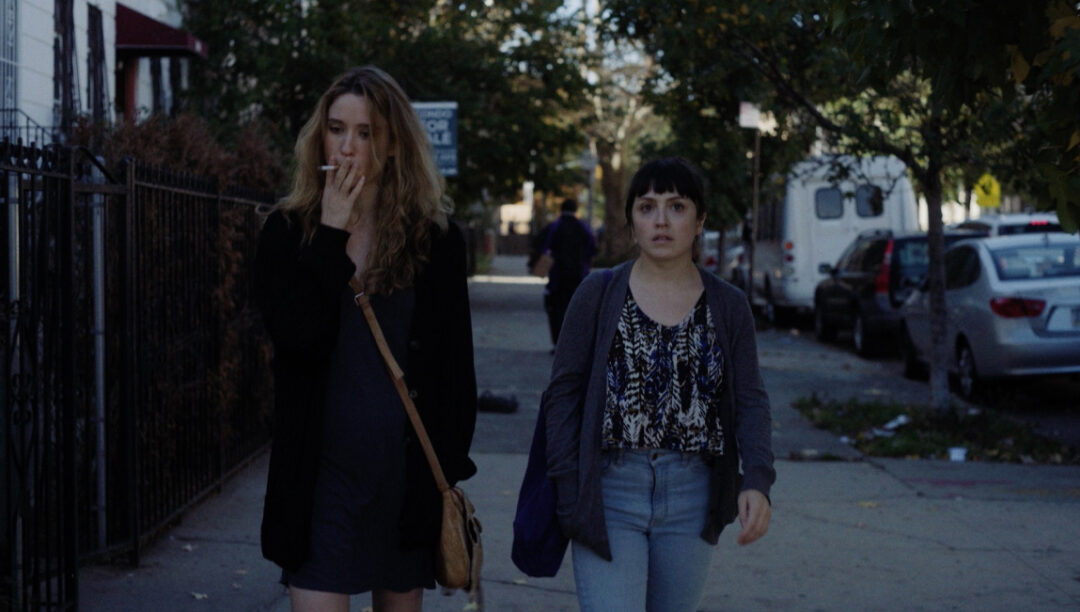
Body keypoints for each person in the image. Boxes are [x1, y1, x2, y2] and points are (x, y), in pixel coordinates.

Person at [253, 65, 478, 612]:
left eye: (366, 132)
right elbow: (297, 339)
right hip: (319, 479)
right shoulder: (287, 232)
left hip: (404, 483)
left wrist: (444, 478)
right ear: (320, 137)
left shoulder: (435, 241)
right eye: (336, 129)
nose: (348, 147)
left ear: (394, 144)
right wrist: (331, 233)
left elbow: (455, 371)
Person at [544, 157, 775, 612]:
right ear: (632, 221)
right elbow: (562, 396)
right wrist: (570, 489)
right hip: (609, 492)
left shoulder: (729, 305)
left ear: (699, 220)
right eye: (647, 207)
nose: (661, 221)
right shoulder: (597, 293)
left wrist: (757, 480)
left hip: (693, 496)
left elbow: (751, 399)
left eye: (677, 206)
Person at [529, 198, 598, 346]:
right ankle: (575, 343)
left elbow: (540, 245)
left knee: (556, 310)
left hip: (557, 277)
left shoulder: (554, 227)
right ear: (575, 210)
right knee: (577, 309)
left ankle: (558, 343)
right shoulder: (583, 227)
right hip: (579, 276)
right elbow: (593, 249)